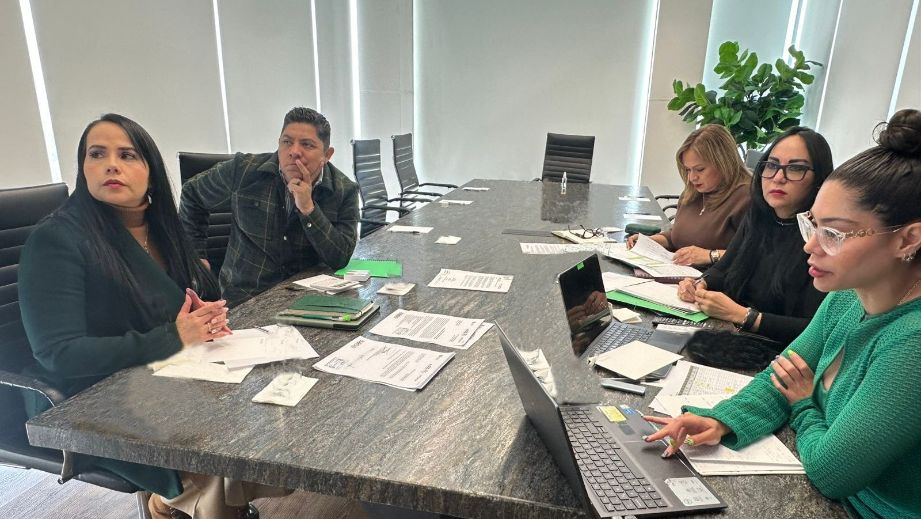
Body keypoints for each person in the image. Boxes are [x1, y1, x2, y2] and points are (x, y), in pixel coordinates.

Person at [644, 109, 921, 518]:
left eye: (834, 233)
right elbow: (783, 376)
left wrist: (805, 404)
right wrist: (722, 421)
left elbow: (832, 472)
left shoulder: (912, 342)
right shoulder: (847, 297)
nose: (811, 245)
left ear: (908, 239)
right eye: (813, 226)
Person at [18, 114, 285, 519]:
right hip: (90, 396)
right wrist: (176, 336)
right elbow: (59, 355)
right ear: (82, 168)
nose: (111, 165)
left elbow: (176, 299)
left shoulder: (160, 225)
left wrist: (200, 313)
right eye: (97, 154)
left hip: (160, 374)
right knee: (211, 456)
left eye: (127, 155)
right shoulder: (57, 238)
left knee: (261, 410)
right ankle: (193, 502)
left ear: (151, 172)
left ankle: (173, 502)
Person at [180, 107, 359, 307]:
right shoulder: (244, 170)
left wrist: (309, 209)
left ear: (327, 154)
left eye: (307, 144)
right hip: (245, 299)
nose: (294, 152)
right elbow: (191, 193)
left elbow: (340, 258)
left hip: (307, 301)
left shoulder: (344, 191)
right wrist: (196, 255)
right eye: (287, 142)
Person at [676, 127, 834, 345]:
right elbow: (725, 268)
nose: (778, 177)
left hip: (777, 351)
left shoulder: (821, 238)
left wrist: (744, 316)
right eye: (772, 165)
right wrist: (700, 284)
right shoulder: (759, 215)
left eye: (795, 168)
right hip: (733, 336)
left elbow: (818, 330)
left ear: (819, 179)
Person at [627, 124, 751, 266]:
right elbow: (679, 236)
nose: (692, 178)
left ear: (724, 163)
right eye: (687, 170)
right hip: (679, 272)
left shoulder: (746, 197)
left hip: (714, 278)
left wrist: (710, 255)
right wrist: (651, 242)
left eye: (700, 169)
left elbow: (755, 256)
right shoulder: (694, 192)